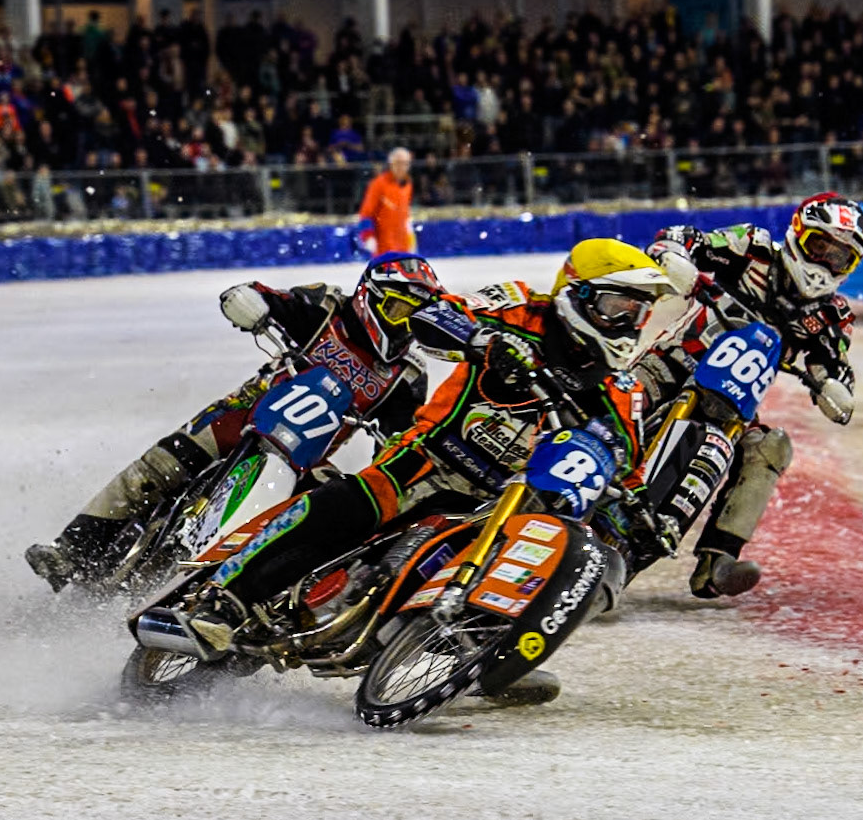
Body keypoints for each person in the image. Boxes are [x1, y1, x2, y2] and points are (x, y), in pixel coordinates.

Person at [187, 239, 683, 657]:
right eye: (619, 307)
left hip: (499, 500)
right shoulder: (518, 307)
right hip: (428, 457)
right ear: (578, 294)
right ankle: (226, 597)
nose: (630, 323)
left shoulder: (622, 389)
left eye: (640, 312)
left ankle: (490, 662)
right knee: (348, 509)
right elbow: (436, 316)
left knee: (525, 563)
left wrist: (639, 509)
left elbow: (622, 453)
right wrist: (484, 340)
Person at [25, 254, 443, 592]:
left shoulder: (408, 375)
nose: (405, 323)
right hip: (248, 410)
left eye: (417, 315)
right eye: (397, 308)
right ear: (369, 297)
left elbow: (396, 440)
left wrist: (394, 456)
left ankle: (241, 597)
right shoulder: (325, 307)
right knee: (158, 467)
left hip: (306, 453)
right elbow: (266, 297)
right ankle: (73, 551)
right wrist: (248, 301)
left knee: (318, 513)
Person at [645, 192, 863, 598]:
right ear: (799, 233)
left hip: (734, 399)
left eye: (839, 257)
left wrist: (835, 388)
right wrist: (673, 252)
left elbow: (834, 365)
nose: (824, 262)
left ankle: (719, 559)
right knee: (620, 396)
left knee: (770, 448)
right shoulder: (752, 247)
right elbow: (688, 238)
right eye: (820, 246)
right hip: (676, 360)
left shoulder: (834, 315)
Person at [354, 147, 415, 257]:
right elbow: (366, 213)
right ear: (391, 164)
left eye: (405, 163)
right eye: (398, 163)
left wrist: (411, 237)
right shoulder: (378, 184)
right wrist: (368, 237)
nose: (402, 167)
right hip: (383, 249)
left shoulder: (408, 184)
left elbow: (406, 215)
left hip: (403, 248)